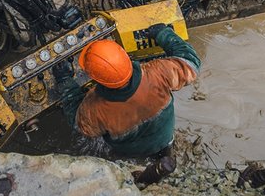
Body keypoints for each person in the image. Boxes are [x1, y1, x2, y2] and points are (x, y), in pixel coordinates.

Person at [53, 24, 201, 159]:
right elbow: (191, 63)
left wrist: (65, 82)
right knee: (165, 157)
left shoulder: (95, 110)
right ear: (124, 55)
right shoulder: (159, 74)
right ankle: (164, 159)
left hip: (129, 151)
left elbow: (78, 123)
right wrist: (163, 34)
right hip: (164, 138)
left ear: (95, 78)